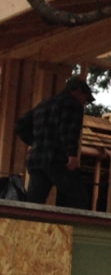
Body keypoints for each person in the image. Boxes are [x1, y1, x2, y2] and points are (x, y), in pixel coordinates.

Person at [18, 76, 93, 208]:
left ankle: (26, 226)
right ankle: (73, 226)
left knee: (33, 202)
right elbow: (68, 130)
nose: (84, 103)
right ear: (79, 91)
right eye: (85, 99)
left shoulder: (44, 104)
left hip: (37, 160)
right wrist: (72, 155)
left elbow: (21, 125)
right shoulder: (72, 103)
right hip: (56, 158)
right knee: (79, 199)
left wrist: (34, 143)